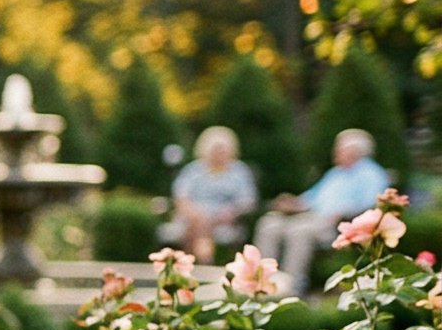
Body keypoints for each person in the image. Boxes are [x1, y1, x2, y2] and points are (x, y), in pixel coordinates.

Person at [253, 127, 392, 294]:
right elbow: (311, 198)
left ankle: (290, 286)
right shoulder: (335, 173)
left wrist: (343, 212)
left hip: (336, 224)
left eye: (339, 149)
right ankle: (261, 280)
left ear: (355, 152)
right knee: (269, 223)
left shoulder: (371, 174)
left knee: (299, 231)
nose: (335, 152)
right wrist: (292, 203)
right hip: (311, 216)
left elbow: (370, 204)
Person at [162, 125, 258, 261]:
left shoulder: (240, 172)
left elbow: (248, 200)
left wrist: (233, 211)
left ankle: (191, 262)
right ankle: (204, 260)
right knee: (199, 221)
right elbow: (181, 197)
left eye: (223, 150)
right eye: (215, 150)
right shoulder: (193, 170)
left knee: (201, 224)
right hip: (194, 217)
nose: (219, 154)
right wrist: (197, 215)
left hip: (224, 219)